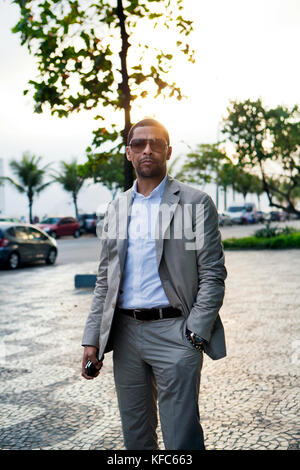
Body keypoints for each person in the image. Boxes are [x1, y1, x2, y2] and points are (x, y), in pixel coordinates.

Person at [81, 118, 227, 450]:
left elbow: (213, 274)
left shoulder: (194, 203)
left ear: (168, 151)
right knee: (136, 438)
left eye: (156, 143)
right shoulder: (117, 207)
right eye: (139, 144)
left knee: (181, 439)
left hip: (176, 332)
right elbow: (105, 280)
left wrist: (195, 332)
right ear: (129, 153)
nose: (147, 149)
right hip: (126, 335)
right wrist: (92, 338)